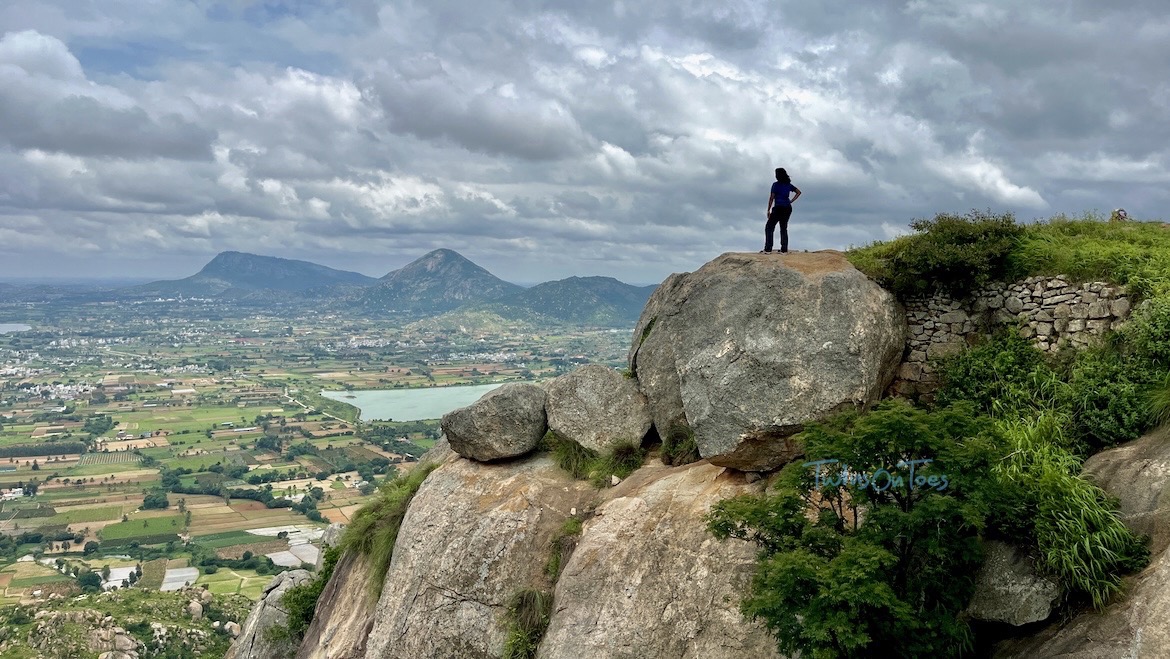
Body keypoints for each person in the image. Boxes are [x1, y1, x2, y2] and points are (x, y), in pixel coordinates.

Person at [763, 168, 801, 253]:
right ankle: (784, 248)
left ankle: (768, 248)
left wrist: (768, 210)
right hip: (787, 207)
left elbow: (772, 198)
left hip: (778, 207)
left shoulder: (775, 185)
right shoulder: (788, 185)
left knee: (769, 227)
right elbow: (798, 192)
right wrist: (791, 201)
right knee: (783, 228)